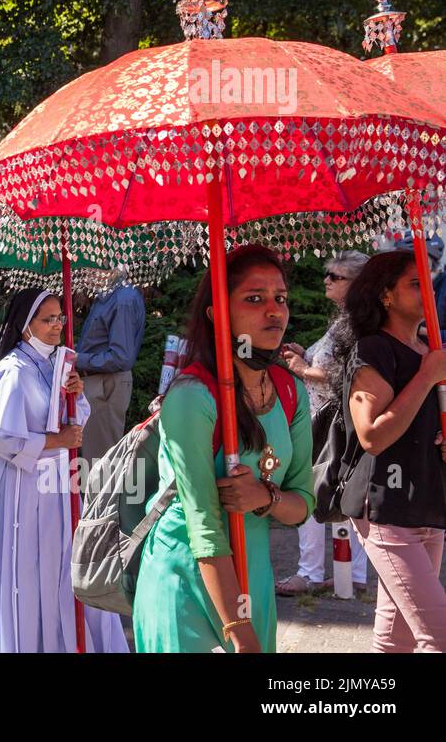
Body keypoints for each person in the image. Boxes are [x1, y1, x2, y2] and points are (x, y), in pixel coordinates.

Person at [132, 245, 314, 653]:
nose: (274, 310)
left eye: (280, 298)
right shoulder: (192, 397)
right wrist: (238, 630)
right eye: (254, 298)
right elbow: (204, 529)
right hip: (187, 580)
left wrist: (263, 497)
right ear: (218, 314)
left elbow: (303, 504)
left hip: (254, 581)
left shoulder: (290, 391)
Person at [0, 287, 128, 652]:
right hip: (20, 486)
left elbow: (74, 421)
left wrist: (77, 393)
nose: (57, 326)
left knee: (63, 565)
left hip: (56, 481)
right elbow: (3, 442)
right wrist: (58, 441)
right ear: (26, 327)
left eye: (60, 318)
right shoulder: (13, 371)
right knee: (26, 568)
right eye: (48, 319)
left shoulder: (57, 365)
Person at [336, 250, 446, 651]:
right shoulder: (374, 350)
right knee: (438, 634)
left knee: (396, 634)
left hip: (429, 503)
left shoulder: (429, 349)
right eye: (415, 283)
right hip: (386, 506)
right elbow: (371, 436)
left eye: (429, 280)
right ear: (385, 295)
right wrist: (428, 375)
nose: (428, 290)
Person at [276, 250, 370, 597]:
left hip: (330, 423)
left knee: (314, 491)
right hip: (330, 421)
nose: (327, 279)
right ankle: (351, 575)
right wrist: (304, 356)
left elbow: (344, 374)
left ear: (357, 284)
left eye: (336, 276)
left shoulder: (356, 321)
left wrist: (302, 369)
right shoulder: (348, 320)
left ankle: (311, 573)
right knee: (341, 493)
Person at [75, 266, 145, 462]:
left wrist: (78, 359)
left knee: (99, 461)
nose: (84, 273)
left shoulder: (123, 300)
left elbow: (121, 357)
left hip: (106, 385)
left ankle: (100, 495)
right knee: (94, 458)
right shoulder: (108, 297)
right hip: (98, 383)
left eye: (89, 267)